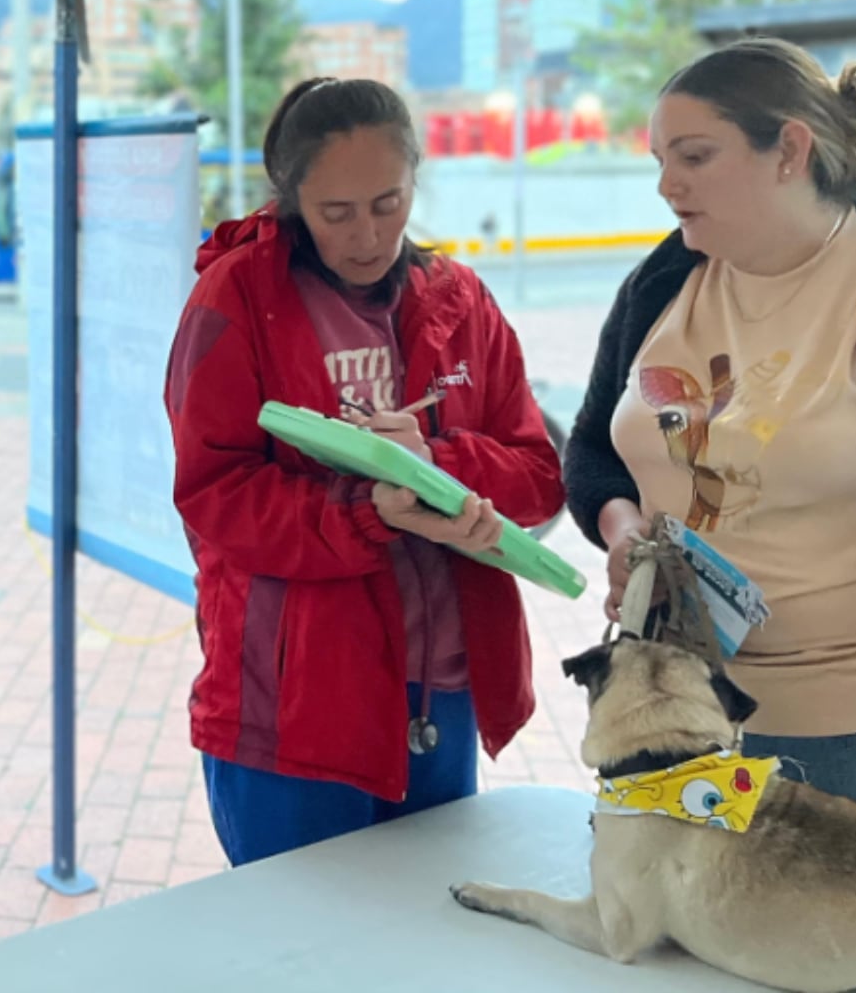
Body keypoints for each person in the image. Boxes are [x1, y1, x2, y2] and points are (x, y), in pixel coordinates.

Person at [164, 77, 565, 866]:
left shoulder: (458, 299)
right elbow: (215, 495)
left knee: (426, 948)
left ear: (417, 178)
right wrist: (368, 514)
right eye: (335, 213)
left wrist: (441, 463)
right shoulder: (236, 298)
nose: (366, 235)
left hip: (440, 692)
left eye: (388, 202)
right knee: (301, 956)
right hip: (295, 706)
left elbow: (538, 473)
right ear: (291, 199)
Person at [566, 37, 856, 813]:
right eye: (659, 160)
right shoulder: (664, 279)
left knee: (843, 936)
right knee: (667, 934)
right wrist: (621, 528)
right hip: (680, 707)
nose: (668, 184)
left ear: (789, 150)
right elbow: (594, 453)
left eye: (695, 156)